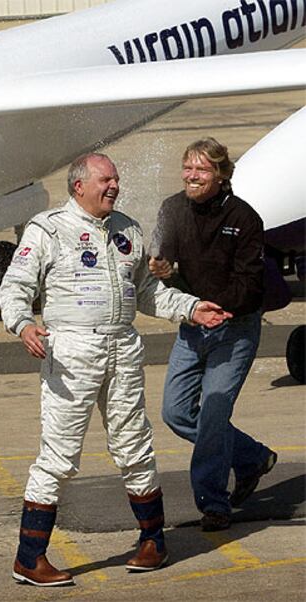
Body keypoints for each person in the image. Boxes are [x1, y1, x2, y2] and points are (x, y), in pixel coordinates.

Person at [0, 152, 231, 587]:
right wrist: (23, 324)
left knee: (134, 444)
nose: (114, 186)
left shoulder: (127, 229)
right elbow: (15, 286)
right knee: (60, 457)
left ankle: (152, 541)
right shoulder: (47, 229)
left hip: (122, 347)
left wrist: (192, 308)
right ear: (78, 186)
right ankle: (29, 558)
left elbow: (148, 292)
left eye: (117, 179)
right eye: (105, 180)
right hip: (70, 352)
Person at [148, 138, 277, 533]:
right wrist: (163, 269)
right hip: (193, 326)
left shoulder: (245, 218)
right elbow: (165, 261)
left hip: (234, 327)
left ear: (221, 175)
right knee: (176, 413)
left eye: (201, 170)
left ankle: (213, 504)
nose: (191, 176)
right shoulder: (172, 209)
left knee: (214, 415)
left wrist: (216, 308)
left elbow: (251, 284)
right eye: (187, 168)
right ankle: (252, 457)